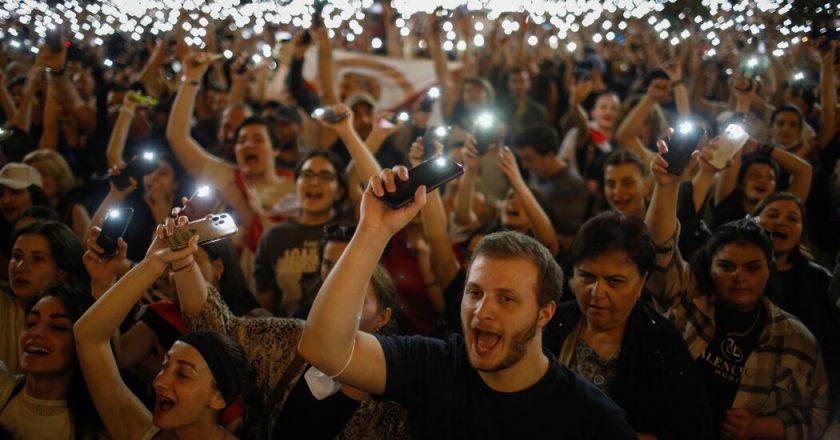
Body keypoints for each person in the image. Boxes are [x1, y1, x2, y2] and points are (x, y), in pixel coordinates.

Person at [298, 166, 636, 438]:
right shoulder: (434, 366)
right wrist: (372, 231)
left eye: (506, 298)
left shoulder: (591, 419)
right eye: (474, 293)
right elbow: (323, 349)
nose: (482, 311)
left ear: (544, 313)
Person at [645, 143, 829, 439]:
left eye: (752, 268)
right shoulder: (688, 297)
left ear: (769, 270)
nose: (739, 277)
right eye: (727, 266)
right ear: (710, 267)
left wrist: (762, 427)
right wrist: (666, 186)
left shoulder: (795, 339)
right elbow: (659, 251)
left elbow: (817, 411)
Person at [543, 211, 713, 439]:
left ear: (642, 281)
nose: (597, 292)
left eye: (615, 281)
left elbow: (690, 430)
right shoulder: (552, 321)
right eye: (586, 277)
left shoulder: (663, 343)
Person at [74, 220, 248, 440]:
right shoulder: (139, 433)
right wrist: (152, 264)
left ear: (218, 398)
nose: (159, 381)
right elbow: (87, 337)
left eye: (183, 374)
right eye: (164, 366)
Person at [753, 192, 840, 406]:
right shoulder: (735, 269)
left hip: (796, 393)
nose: (781, 221)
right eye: (772, 214)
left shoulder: (818, 279)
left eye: (793, 218)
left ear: (801, 231)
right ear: (754, 221)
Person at [0, 283, 101, 439]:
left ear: (83, 344)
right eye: (31, 323)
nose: (36, 332)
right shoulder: (3, 389)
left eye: (58, 327)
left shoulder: (98, 429)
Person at [1, 221, 87, 375]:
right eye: (16, 256)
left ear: (62, 271)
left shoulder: (79, 316)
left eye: (37, 259)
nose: (20, 267)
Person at [22, 149, 91, 240]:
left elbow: (86, 247)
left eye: (42, 174)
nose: (35, 180)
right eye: (31, 176)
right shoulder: (24, 210)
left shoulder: (74, 211)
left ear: (59, 178)